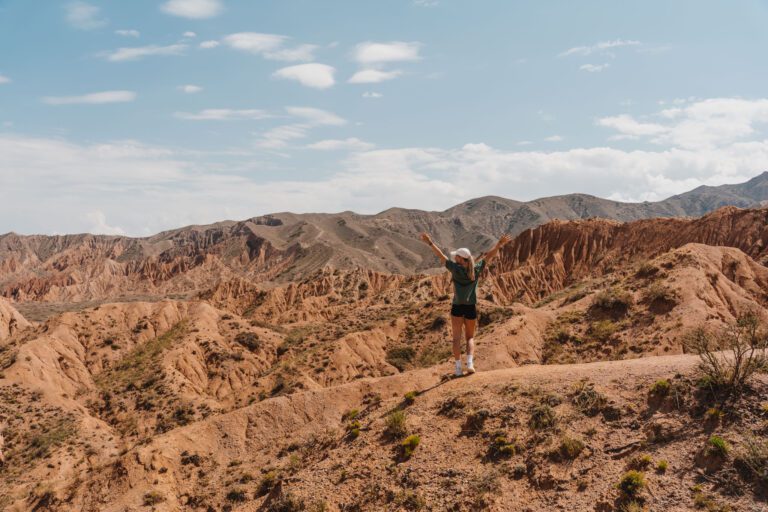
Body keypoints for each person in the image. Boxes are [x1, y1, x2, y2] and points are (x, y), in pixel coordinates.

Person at [420, 232, 512, 376]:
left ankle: (457, 369)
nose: (454, 257)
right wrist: (499, 244)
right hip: (470, 307)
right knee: (470, 337)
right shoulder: (475, 269)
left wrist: (430, 242)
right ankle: (470, 364)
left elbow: (440, 256)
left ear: (461, 259)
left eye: (456, 256)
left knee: (456, 338)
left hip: (457, 307)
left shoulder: (455, 269)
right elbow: (489, 256)